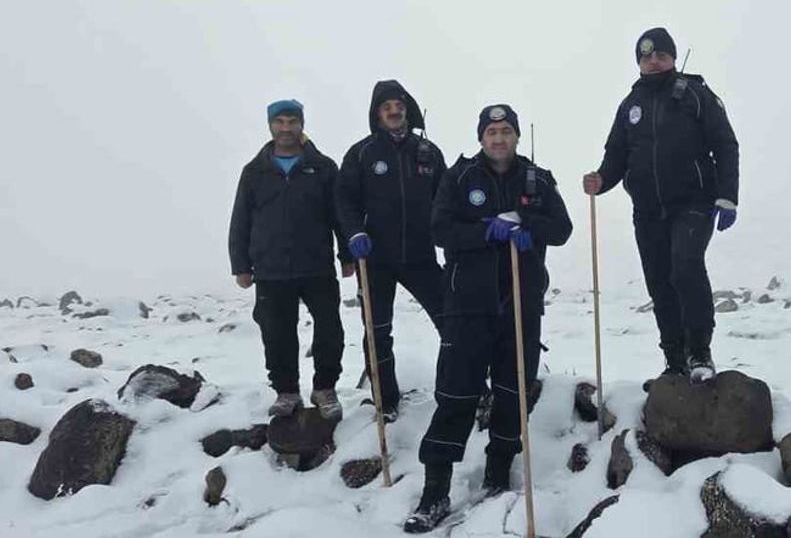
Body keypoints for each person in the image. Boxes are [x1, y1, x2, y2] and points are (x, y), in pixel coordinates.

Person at [404, 104, 572, 533]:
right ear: (481, 138)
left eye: (506, 131)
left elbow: (563, 229)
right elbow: (440, 230)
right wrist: (485, 231)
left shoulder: (537, 178)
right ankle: (435, 491)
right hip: (467, 303)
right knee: (456, 395)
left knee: (513, 392)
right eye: (492, 132)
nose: (499, 139)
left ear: (516, 136)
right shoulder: (460, 178)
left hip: (520, 301)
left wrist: (526, 222)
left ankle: (498, 475)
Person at [582, 27, 740, 383]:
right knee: (660, 283)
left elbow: (726, 145)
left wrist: (727, 195)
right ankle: (675, 360)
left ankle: (700, 353)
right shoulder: (630, 106)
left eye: (661, 54)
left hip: (694, 203)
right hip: (648, 210)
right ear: (639, 62)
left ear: (672, 56)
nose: (653, 61)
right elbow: (616, 156)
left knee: (685, 267)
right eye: (646, 56)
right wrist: (601, 180)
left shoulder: (696, 94)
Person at [229, 99, 350, 421]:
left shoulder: (323, 167)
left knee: (330, 329)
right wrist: (240, 264)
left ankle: (325, 387)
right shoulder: (254, 171)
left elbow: (339, 214)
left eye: (292, 121)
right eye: (279, 122)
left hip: (317, 266)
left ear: (302, 124)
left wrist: (347, 255)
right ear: (270, 125)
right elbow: (240, 219)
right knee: (276, 333)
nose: (286, 128)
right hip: (270, 269)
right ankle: (286, 391)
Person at [337, 80, 447, 423]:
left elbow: (446, 202)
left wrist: (451, 238)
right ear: (377, 115)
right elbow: (343, 202)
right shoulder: (361, 153)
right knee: (377, 330)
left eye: (397, 104)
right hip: (375, 258)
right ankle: (386, 402)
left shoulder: (428, 152)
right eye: (385, 107)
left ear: (407, 108)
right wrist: (353, 235)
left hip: (421, 256)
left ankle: (462, 389)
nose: (393, 111)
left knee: (453, 320)